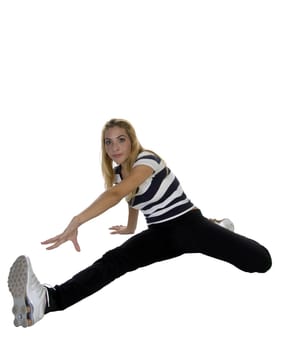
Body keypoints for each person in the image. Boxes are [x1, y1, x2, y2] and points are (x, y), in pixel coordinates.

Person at [8, 118, 272, 328]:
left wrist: (77, 220)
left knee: (261, 261)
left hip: (190, 224)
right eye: (108, 142)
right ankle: (47, 300)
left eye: (121, 139)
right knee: (112, 261)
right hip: (160, 233)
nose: (115, 147)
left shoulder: (148, 158)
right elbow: (131, 198)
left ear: (132, 141)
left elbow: (117, 194)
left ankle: (219, 229)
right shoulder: (117, 174)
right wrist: (131, 227)